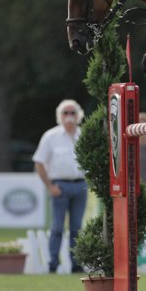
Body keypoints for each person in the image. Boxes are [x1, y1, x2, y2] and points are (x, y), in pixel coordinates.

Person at [33, 99, 87, 273]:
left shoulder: (84, 135)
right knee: (57, 227)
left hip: (80, 185)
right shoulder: (51, 136)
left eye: (73, 112)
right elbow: (39, 162)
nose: (69, 116)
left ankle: (76, 263)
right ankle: (53, 263)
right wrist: (50, 186)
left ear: (78, 115)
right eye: (66, 113)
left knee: (76, 227)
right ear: (60, 116)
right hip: (60, 185)